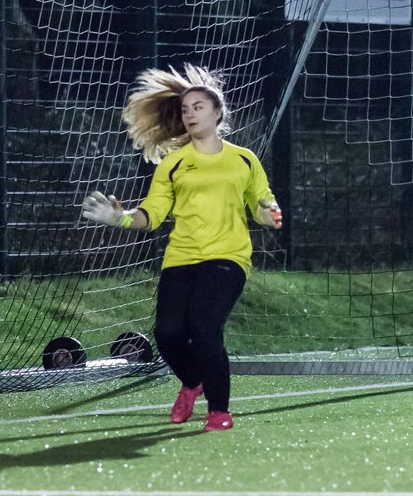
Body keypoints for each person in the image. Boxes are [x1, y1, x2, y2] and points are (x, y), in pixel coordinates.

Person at [80, 64, 282, 432]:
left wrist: (269, 213)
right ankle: (193, 383)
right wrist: (120, 217)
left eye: (198, 107)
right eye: (185, 109)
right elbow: (151, 214)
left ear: (218, 113)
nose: (190, 113)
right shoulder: (173, 164)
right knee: (168, 334)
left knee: (205, 328)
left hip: (228, 256)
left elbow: (261, 201)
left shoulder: (243, 159)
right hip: (182, 258)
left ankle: (219, 411)